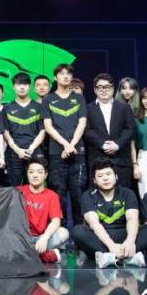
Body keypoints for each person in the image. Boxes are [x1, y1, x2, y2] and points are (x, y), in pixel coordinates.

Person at [72, 160, 147, 268]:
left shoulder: (127, 193)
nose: (105, 178)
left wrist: (129, 242)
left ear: (116, 176)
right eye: (100, 176)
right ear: (94, 180)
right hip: (101, 237)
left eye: (108, 174)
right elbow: (94, 224)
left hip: (124, 234)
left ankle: (109, 257)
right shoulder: (88, 195)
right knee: (78, 231)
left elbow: (132, 219)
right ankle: (128, 257)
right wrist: (111, 246)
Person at [41, 64, 87, 227]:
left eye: (68, 74)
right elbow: (48, 126)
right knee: (58, 196)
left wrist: (71, 145)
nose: (65, 76)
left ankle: (80, 234)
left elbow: (82, 123)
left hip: (77, 152)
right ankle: (60, 233)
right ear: (55, 77)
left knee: (78, 195)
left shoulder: (78, 98)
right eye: (61, 74)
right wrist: (65, 144)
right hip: (56, 153)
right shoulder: (48, 99)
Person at [83, 73, 135, 189]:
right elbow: (86, 130)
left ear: (113, 88)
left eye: (107, 87)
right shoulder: (87, 109)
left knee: (123, 194)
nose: (103, 90)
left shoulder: (124, 107)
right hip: (97, 160)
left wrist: (117, 144)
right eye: (100, 87)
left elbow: (130, 129)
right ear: (95, 90)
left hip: (121, 159)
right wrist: (103, 144)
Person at [17, 159, 70, 263]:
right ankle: (47, 256)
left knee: (64, 233)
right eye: (31, 172)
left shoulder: (52, 196)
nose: (35, 175)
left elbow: (56, 221)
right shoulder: (18, 191)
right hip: (22, 238)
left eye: (39, 172)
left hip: (41, 238)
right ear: (27, 174)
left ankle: (28, 254)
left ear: (45, 175)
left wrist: (45, 238)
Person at [2, 72, 46, 186]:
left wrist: (31, 148)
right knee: (15, 188)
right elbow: (5, 132)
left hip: (35, 151)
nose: (22, 87)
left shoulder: (39, 107)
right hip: (14, 153)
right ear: (13, 86)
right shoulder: (7, 108)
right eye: (18, 84)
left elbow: (42, 131)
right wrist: (17, 150)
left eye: (25, 84)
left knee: (35, 186)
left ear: (30, 87)